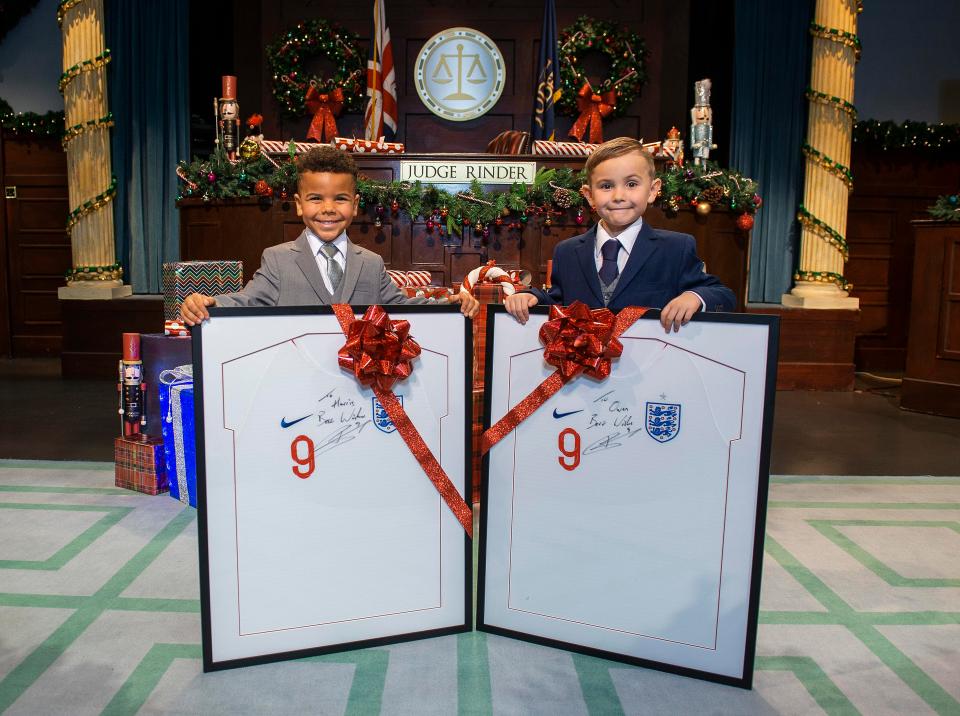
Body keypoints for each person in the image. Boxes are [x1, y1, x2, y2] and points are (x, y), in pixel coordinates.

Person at [180, 146, 480, 324]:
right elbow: (247, 301)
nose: (328, 209)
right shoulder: (277, 260)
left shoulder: (371, 263)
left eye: (339, 199)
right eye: (315, 199)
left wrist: (451, 304)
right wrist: (208, 304)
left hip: (355, 393)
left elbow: (400, 304)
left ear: (355, 205)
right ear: (299, 205)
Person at [503, 136, 735, 332]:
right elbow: (558, 300)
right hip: (585, 378)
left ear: (653, 190)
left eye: (632, 184)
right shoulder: (567, 251)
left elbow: (722, 295)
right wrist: (532, 298)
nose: (618, 196)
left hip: (650, 374)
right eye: (606, 186)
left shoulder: (676, 248)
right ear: (589, 195)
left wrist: (694, 297)